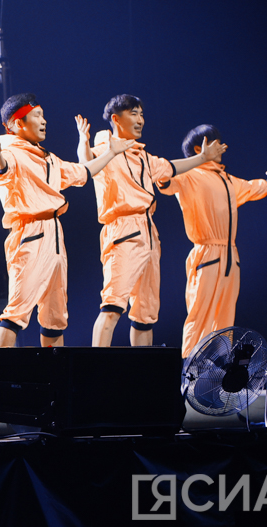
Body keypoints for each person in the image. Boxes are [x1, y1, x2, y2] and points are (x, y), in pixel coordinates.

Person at [0, 93, 132, 348]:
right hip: (29, 235)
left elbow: (82, 172)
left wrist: (111, 152)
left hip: (54, 235)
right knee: (16, 313)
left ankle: (55, 372)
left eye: (43, 116)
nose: (44, 121)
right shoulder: (9, 152)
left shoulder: (47, 158)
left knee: (55, 317)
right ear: (18, 123)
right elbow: (0, 168)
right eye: (37, 116)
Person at [77, 95, 224, 347]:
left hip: (148, 234)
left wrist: (202, 158)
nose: (140, 120)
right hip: (123, 232)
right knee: (112, 306)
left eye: (142, 114)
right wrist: (84, 140)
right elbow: (86, 164)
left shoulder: (143, 156)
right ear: (116, 119)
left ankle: (142, 370)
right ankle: (94, 368)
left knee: (145, 315)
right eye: (134, 113)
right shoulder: (106, 148)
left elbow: (170, 167)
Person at [157, 124, 267, 358]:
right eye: (216, 142)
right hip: (206, 253)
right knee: (200, 314)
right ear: (200, 147)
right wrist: (199, 160)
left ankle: (217, 370)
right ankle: (187, 369)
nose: (223, 146)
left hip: (230, 257)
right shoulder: (189, 176)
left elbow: (252, 187)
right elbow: (162, 175)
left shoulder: (227, 180)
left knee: (225, 318)